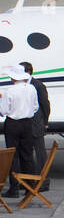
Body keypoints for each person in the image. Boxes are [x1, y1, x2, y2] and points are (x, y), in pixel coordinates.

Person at [0, 65, 39, 199]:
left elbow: (4, 110)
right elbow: (35, 107)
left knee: (12, 156)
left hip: (13, 123)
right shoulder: (31, 88)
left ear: (12, 77)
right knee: (27, 155)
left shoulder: (9, 91)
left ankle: (14, 188)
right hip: (27, 123)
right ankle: (30, 186)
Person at [21, 62, 50, 190]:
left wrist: (45, 122)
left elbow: (45, 105)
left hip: (36, 124)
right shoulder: (21, 85)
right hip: (25, 125)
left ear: (27, 72)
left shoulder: (38, 85)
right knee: (26, 153)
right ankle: (28, 181)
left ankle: (44, 182)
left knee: (40, 154)